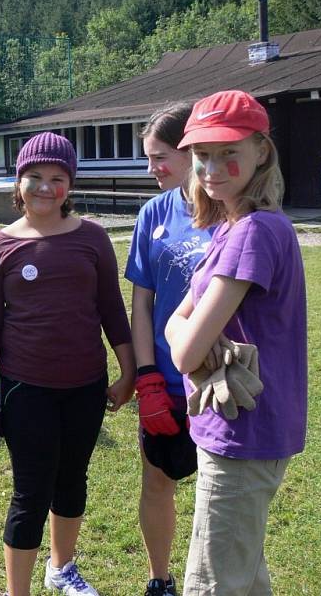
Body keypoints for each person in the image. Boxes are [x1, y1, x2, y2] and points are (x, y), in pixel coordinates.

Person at [0, 132, 135, 596]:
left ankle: (61, 568)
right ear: (18, 182)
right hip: (27, 389)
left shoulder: (93, 238)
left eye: (57, 178)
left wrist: (128, 373)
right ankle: (16, 591)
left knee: (72, 481)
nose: (46, 187)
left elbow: (111, 311)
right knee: (31, 492)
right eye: (35, 177)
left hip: (86, 385)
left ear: (71, 184)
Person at [165, 90, 307, 595]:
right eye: (202, 155)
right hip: (236, 431)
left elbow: (181, 348)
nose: (212, 167)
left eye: (230, 153)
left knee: (213, 583)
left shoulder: (253, 232)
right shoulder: (233, 226)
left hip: (243, 435)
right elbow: (175, 323)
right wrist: (188, 335)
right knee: (243, 577)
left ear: (261, 152)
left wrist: (189, 338)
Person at [124, 103, 216, 596]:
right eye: (148, 158)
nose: (152, 169)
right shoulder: (153, 214)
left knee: (217, 489)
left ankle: (212, 579)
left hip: (217, 381)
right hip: (164, 378)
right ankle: (160, 579)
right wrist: (146, 375)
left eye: (159, 157)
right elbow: (142, 303)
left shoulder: (233, 211)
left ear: (189, 151)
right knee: (158, 480)